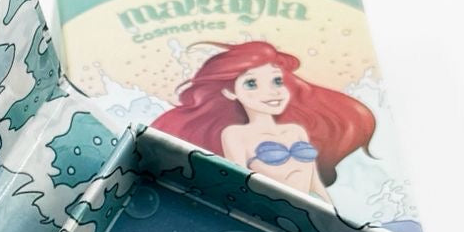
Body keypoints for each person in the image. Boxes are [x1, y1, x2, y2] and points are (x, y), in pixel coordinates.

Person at [152, 41, 374, 201]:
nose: (272, 92)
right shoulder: (235, 135)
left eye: (277, 81)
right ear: (230, 92)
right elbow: (240, 185)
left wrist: (332, 216)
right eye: (251, 84)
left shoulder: (295, 131)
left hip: (312, 207)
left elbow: (315, 182)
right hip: (275, 210)